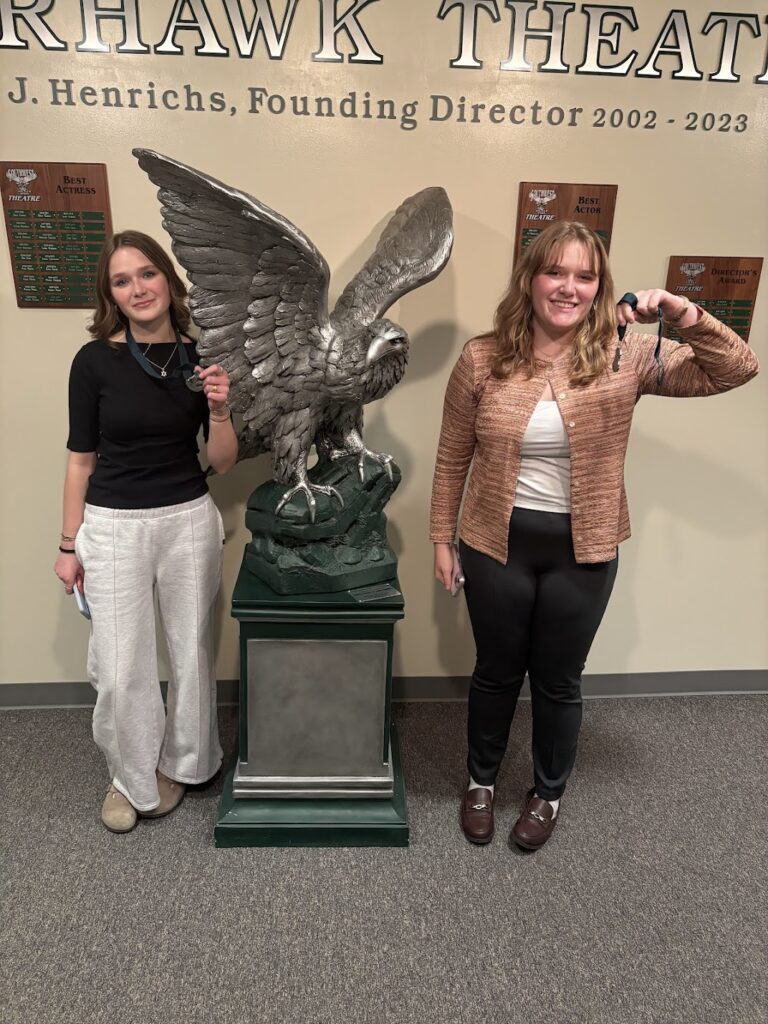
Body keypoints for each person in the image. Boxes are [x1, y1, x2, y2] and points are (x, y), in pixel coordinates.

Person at [430, 221, 758, 851]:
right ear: (530, 279)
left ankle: (547, 793)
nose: (569, 288)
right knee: (496, 672)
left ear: (600, 286)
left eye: (586, 276)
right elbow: (451, 456)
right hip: (495, 542)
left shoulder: (624, 354)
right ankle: (481, 782)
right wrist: (443, 539)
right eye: (556, 272)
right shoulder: (481, 356)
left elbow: (735, 368)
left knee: (558, 680)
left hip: (584, 550)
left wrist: (683, 312)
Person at [53, 230, 238, 834]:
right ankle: (130, 776)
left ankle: (185, 763)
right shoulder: (94, 362)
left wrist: (219, 409)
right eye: (122, 280)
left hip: (186, 518)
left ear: (167, 278)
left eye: (147, 274)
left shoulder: (200, 353)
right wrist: (66, 545)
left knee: (190, 650)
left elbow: (226, 461)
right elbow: (80, 459)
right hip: (112, 527)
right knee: (120, 664)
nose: (138, 289)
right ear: (111, 294)